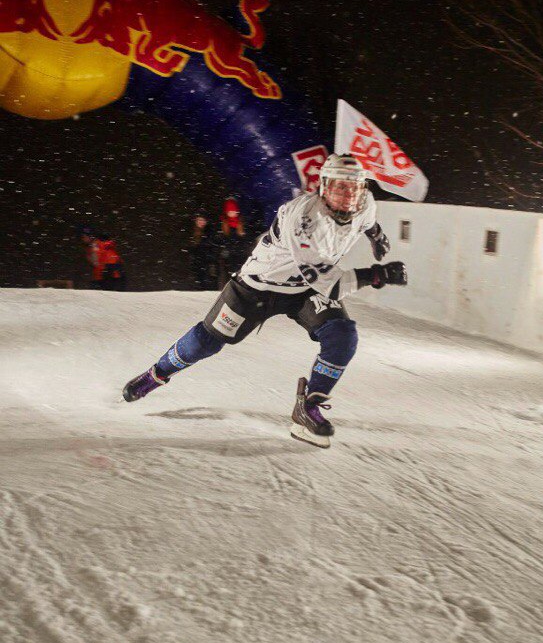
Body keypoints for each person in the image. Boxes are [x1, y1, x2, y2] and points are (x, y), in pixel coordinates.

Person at [122, 155, 407, 447]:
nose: (349, 196)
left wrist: (376, 234)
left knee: (343, 336)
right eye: (340, 188)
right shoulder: (303, 218)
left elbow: (367, 220)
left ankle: (308, 408)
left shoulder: (366, 203)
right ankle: (156, 374)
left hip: (306, 289)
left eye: (355, 188)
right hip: (261, 286)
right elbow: (331, 285)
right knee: (207, 341)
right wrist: (376, 275)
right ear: (322, 188)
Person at [78, 226, 127, 291]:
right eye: (81, 237)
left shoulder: (95, 246)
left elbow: (99, 264)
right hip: (112, 275)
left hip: (112, 276)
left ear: (90, 237)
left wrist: (99, 281)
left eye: (84, 237)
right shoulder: (92, 247)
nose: (82, 239)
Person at [188, 209, 219, 291]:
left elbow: (213, 246)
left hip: (207, 262)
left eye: (203, 220)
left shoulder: (210, 232)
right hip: (195, 262)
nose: (201, 222)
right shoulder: (191, 231)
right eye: (199, 220)